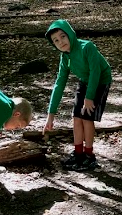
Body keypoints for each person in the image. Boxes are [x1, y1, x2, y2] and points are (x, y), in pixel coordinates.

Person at [43, 18, 112, 171]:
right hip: (85, 80)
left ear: (70, 34)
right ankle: (78, 153)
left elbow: (96, 72)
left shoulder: (87, 47)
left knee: (86, 117)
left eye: (62, 36)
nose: (60, 42)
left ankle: (89, 156)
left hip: (101, 79)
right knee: (76, 117)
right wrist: (51, 115)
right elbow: (59, 84)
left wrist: (89, 98)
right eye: (55, 40)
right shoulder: (65, 57)